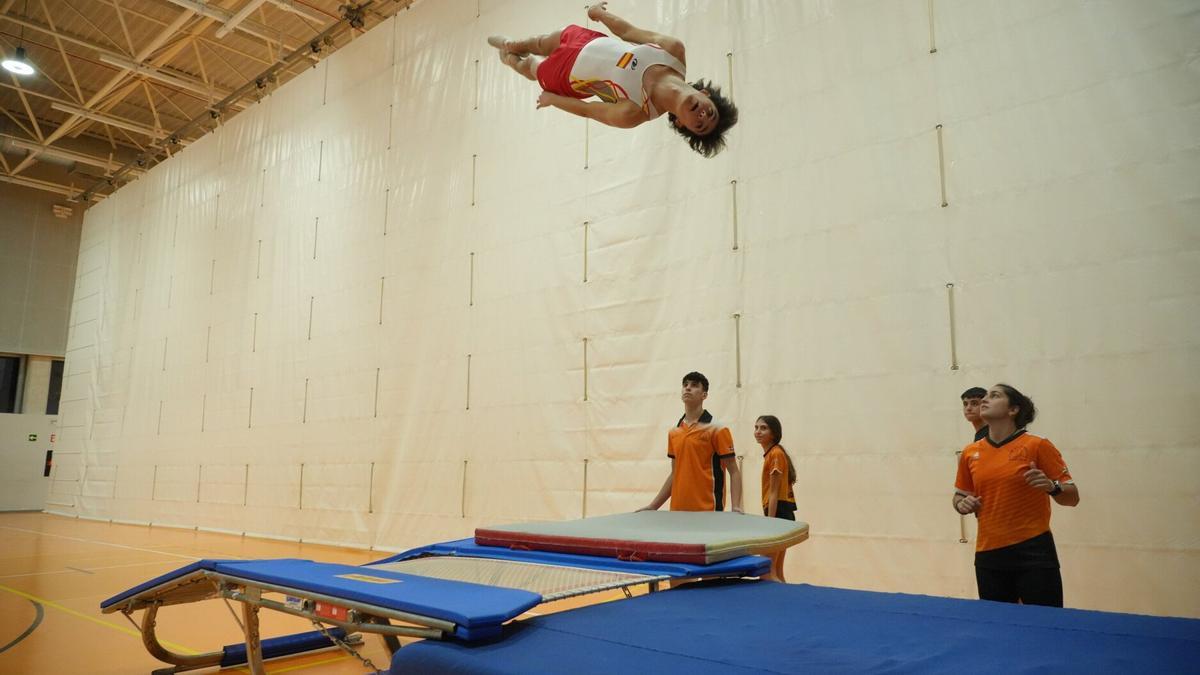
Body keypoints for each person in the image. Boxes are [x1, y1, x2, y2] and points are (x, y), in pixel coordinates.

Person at [488, 2, 739, 157]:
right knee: (541, 42)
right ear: (705, 95)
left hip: (568, 76)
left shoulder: (635, 112)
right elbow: (629, 32)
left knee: (530, 67)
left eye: (700, 125)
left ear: (682, 124)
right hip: (588, 41)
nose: (702, 116)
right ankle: (512, 44)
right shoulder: (674, 51)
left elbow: (588, 110)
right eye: (710, 113)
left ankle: (510, 60)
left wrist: (553, 100)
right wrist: (600, 14)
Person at [952, 384, 1080, 607]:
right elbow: (959, 497)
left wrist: (1052, 487)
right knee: (996, 624)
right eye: (985, 396)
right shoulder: (970, 452)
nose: (985, 400)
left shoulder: (1037, 445)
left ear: (1013, 410)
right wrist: (962, 504)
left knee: (1044, 622)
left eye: (994, 395)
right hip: (988, 554)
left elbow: (1072, 498)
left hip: (1034, 551)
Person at [639, 371, 743, 513]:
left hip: (708, 512)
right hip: (677, 512)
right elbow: (675, 474)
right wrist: (653, 506)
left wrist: (736, 506)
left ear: (704, 395)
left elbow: (734, 471)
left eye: (694, 385)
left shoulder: (718, 429)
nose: (688, 388)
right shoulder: (674, 432)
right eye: (685, 385)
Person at [754, 415, 797, 581]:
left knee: (767, 572)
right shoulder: (773, 453)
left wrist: (770, 523)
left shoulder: (776, 454)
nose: (758, 431)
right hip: (781, 512)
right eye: (756, 427)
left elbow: (774, 492)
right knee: (776, 571)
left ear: (774, 433)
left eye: (763, 428)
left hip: (779, 511)